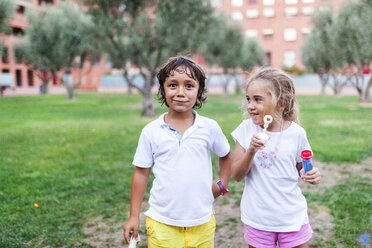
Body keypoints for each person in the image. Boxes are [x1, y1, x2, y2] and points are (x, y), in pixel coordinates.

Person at [123, 56, 232, 247]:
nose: (180, 92)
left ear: (199, 91)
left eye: (189, 86)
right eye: (173, 85)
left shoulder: (209, 127)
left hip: (203, 223)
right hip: (162, 224)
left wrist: (222, 185)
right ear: (163, 90)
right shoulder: (151, 131)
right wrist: (133, 216)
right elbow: (141, 173)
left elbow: (226, 154)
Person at [231, 67, 321, 248]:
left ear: (282, 103)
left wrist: (310, 174)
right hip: (258, 218)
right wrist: (251, 150)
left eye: (258, 99)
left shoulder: (297, 134)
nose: (250, 105)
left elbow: (303, 167)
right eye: (248, 99)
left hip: (291, 217)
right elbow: (237, 175)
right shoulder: (246, 130)